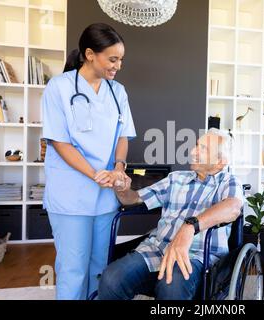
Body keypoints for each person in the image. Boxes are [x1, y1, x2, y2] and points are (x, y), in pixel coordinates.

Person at [42, 23, 136, 300]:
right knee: (73, 269)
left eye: (121, 60)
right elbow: (59, 142)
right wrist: (96, 173)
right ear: (90, 54)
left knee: (100, 268)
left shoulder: (118, 92)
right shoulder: (58, 88)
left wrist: (118, 168)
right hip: (71, 195)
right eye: (112, 59)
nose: (118, 66)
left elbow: (123, 136)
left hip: (105, 194)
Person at [98, 129, 245, 300]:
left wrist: (190, 227)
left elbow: (233, 207)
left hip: (198, 257)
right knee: (111, 279)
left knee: (171, 287)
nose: (192, 152)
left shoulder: (229, 182)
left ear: (220, 162)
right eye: (197, 145)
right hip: (157, 249)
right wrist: (122, 190)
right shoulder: (176, 178)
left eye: (203, 149)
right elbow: (135, 198)